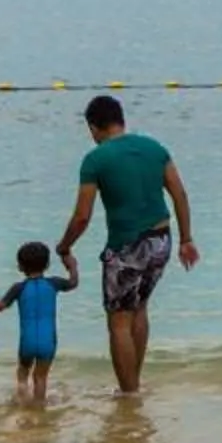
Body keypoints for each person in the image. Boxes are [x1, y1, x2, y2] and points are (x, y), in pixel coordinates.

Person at [56, 93, 199, 394]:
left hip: (126, 246)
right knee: (140, 308)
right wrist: (186, 239)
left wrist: (64, 246)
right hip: (162, 239)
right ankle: (134, 384)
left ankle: (129, 394)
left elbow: (82, 216)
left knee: (119, 321)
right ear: (121, 120)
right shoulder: (154, 147)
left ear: (93, 127)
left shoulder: (95, 159)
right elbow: (180, 195)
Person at [0, 239, 80, 404]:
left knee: (23, 370)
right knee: (40, 377)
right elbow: (73, 283)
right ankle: (39, 408)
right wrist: (72, 265)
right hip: (48, 341)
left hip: (27, 341)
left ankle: (22, 398)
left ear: (20, 267)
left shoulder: (18, 288)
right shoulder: (54, 283)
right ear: (47, 265)